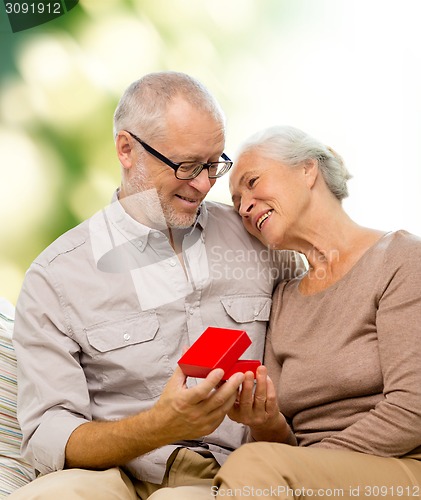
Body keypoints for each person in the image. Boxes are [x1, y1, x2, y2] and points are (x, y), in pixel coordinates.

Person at [10, 73, 302, 499]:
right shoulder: (55, 276)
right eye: (186, 166)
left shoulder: (259, 240)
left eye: (213, 165)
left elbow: (329, 299)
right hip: (113, 472)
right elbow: (48, 435)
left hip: (230, 474)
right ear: (126, 149)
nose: (203, 184)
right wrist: (160, 426)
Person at [207, 125, 421, 498]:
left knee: (251, 466)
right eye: (237, 200)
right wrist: (269, 425)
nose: (243, 206)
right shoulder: (284, 299)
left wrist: (303, 465)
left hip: (400, 466)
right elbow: (285, 447)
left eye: (252, 182)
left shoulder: (401, 259)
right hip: (308, 475)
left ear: (308, 170)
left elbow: (413, 408)